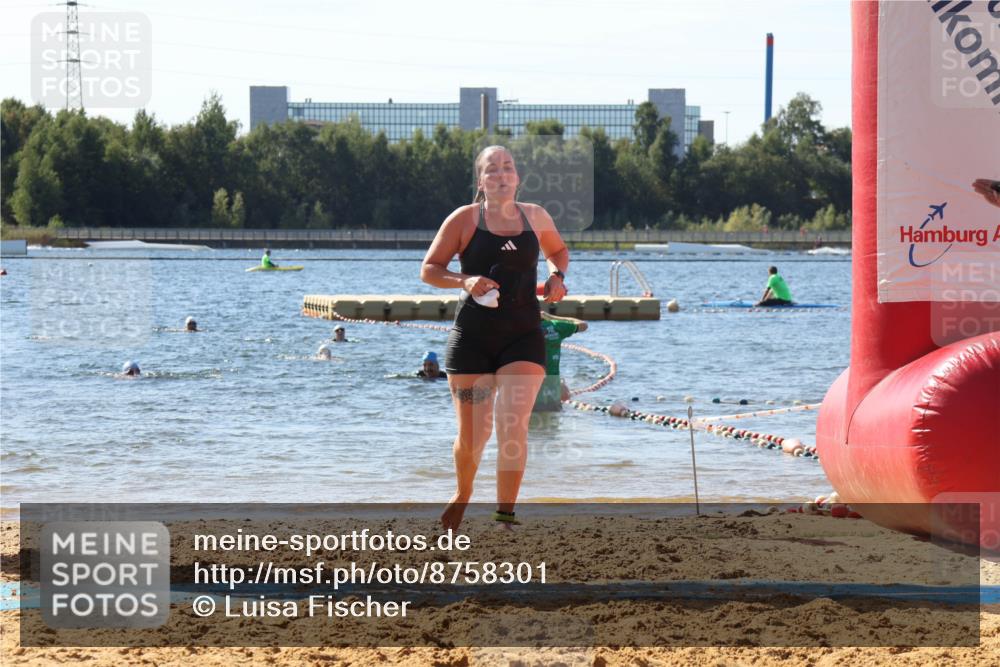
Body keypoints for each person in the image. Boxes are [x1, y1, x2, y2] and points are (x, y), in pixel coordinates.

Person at [421, 145, 569, 531]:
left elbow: (558, 251)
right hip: (472, 339)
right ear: (481, 180)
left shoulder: (535, 217)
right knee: (473, 434)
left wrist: (557, 277)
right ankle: (463, 493)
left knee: (512, 423)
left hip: (522, 336)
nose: (502, 175)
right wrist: (465, 280)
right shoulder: (464, 220)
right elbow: (430, 270)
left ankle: (505, 515)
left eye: (508, 168)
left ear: (517, 177)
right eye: (492, 170)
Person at [534, 313, 587, 412]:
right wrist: (552, 317)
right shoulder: (556, 326)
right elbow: (583, 325)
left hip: (527, 388)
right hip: (552, 389)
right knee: (554, 420)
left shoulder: (521, 328)